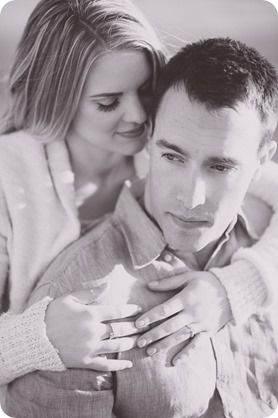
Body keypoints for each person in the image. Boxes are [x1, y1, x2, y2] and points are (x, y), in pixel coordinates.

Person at [0, 0, 278, 399]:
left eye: (146, 91)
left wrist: (234, 288)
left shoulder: (173, 146)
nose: (138, 116)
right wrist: (36, 338)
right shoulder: (9, 182)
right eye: (108, 102)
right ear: (56, 97)